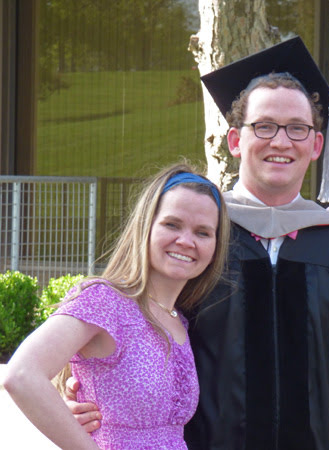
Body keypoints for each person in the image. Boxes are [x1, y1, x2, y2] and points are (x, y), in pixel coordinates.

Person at [65, 37, 329, 450]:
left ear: (317, 144)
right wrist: (85, 387)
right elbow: (133, 320)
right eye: (263, 126)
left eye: (298, 128)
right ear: (234, 141)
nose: (281, 141)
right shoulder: (197, 239)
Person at [3, 162, 230, 449]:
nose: (186, 241)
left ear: (215, 247)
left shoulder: (181, 319)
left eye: (203, 232)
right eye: (172, 224)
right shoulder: (105, 301)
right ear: (145, 227)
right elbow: (21, 375)